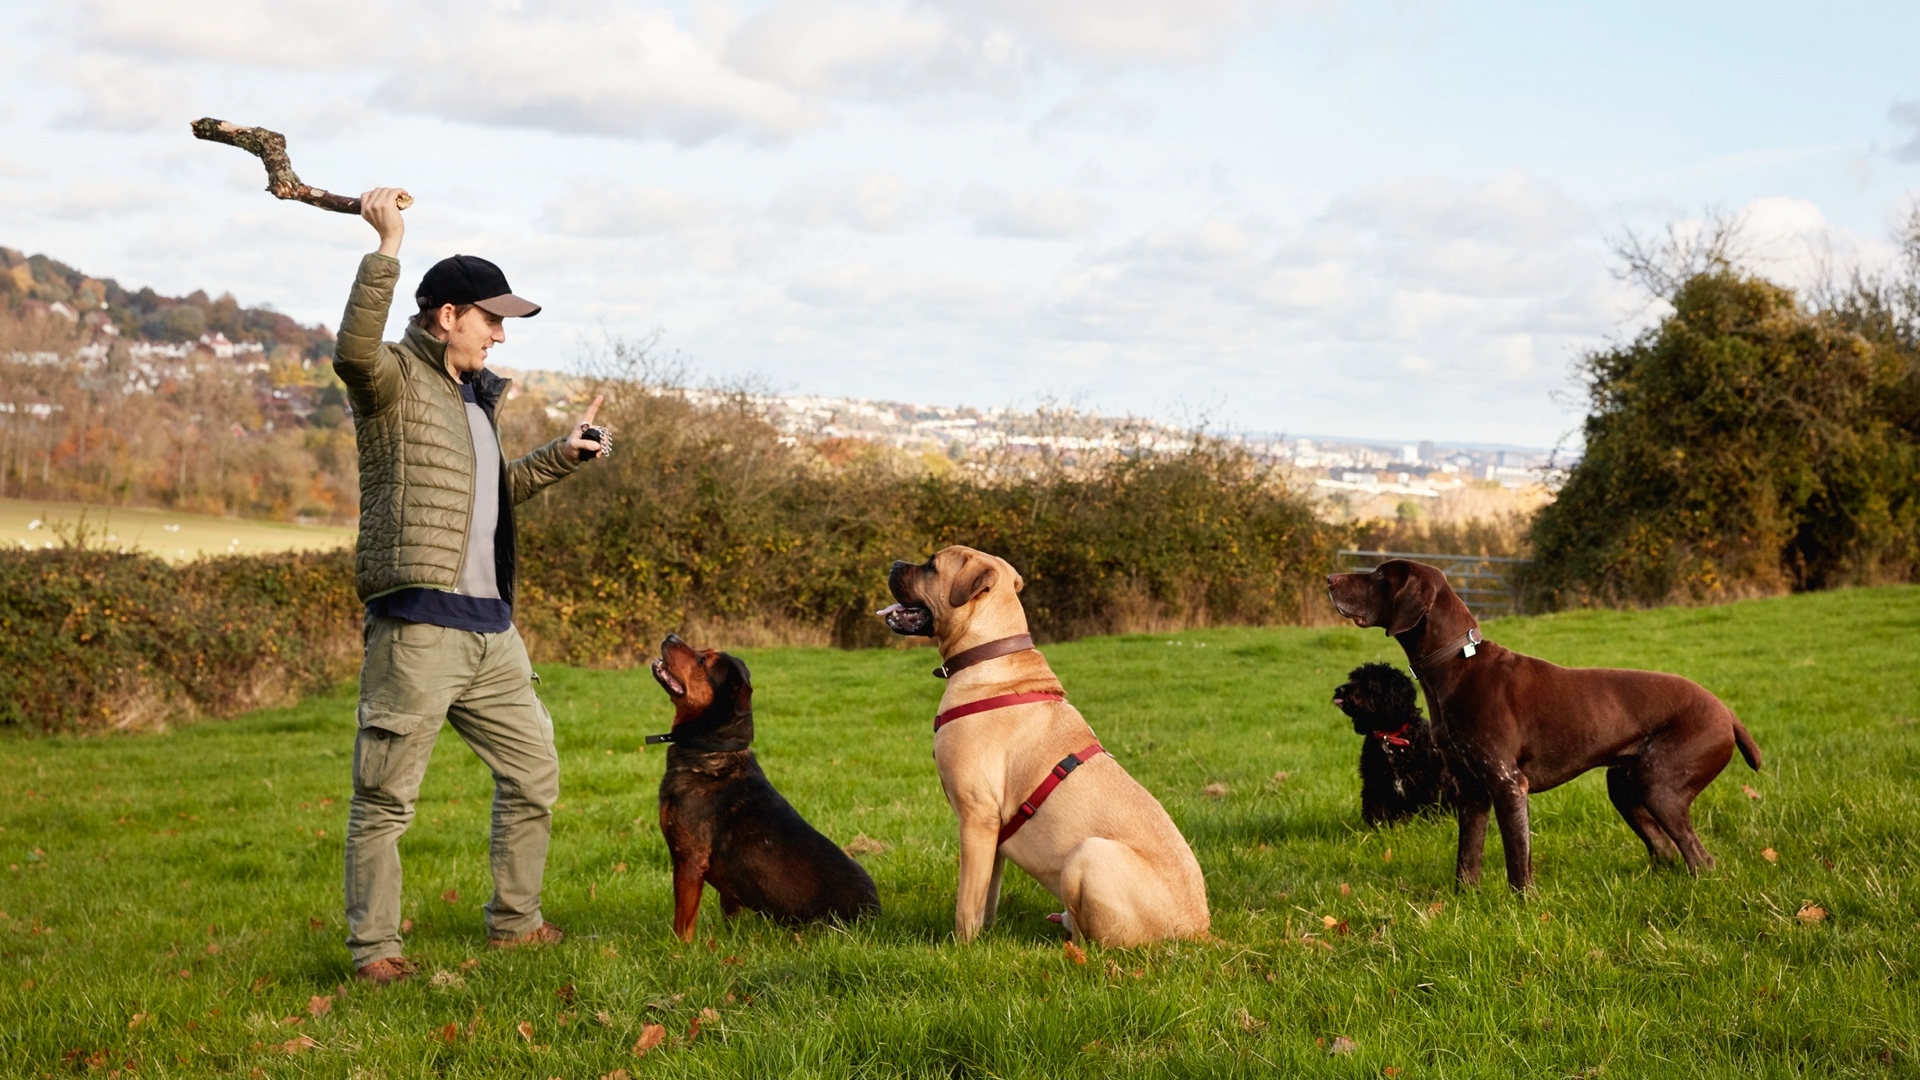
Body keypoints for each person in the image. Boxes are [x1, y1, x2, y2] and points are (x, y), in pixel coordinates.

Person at [334, 187, 608, 985]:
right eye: (491, 318)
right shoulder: (390, 383)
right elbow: (353, 349)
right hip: (419, 627)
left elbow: (487, 499)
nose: (499, 333)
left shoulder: (472, 403)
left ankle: (515, 925)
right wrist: (386, 248)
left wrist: (564, 454)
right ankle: (375, 952)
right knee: (385, 798)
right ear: (447, 315)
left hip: (492, 632)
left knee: (534, 774)